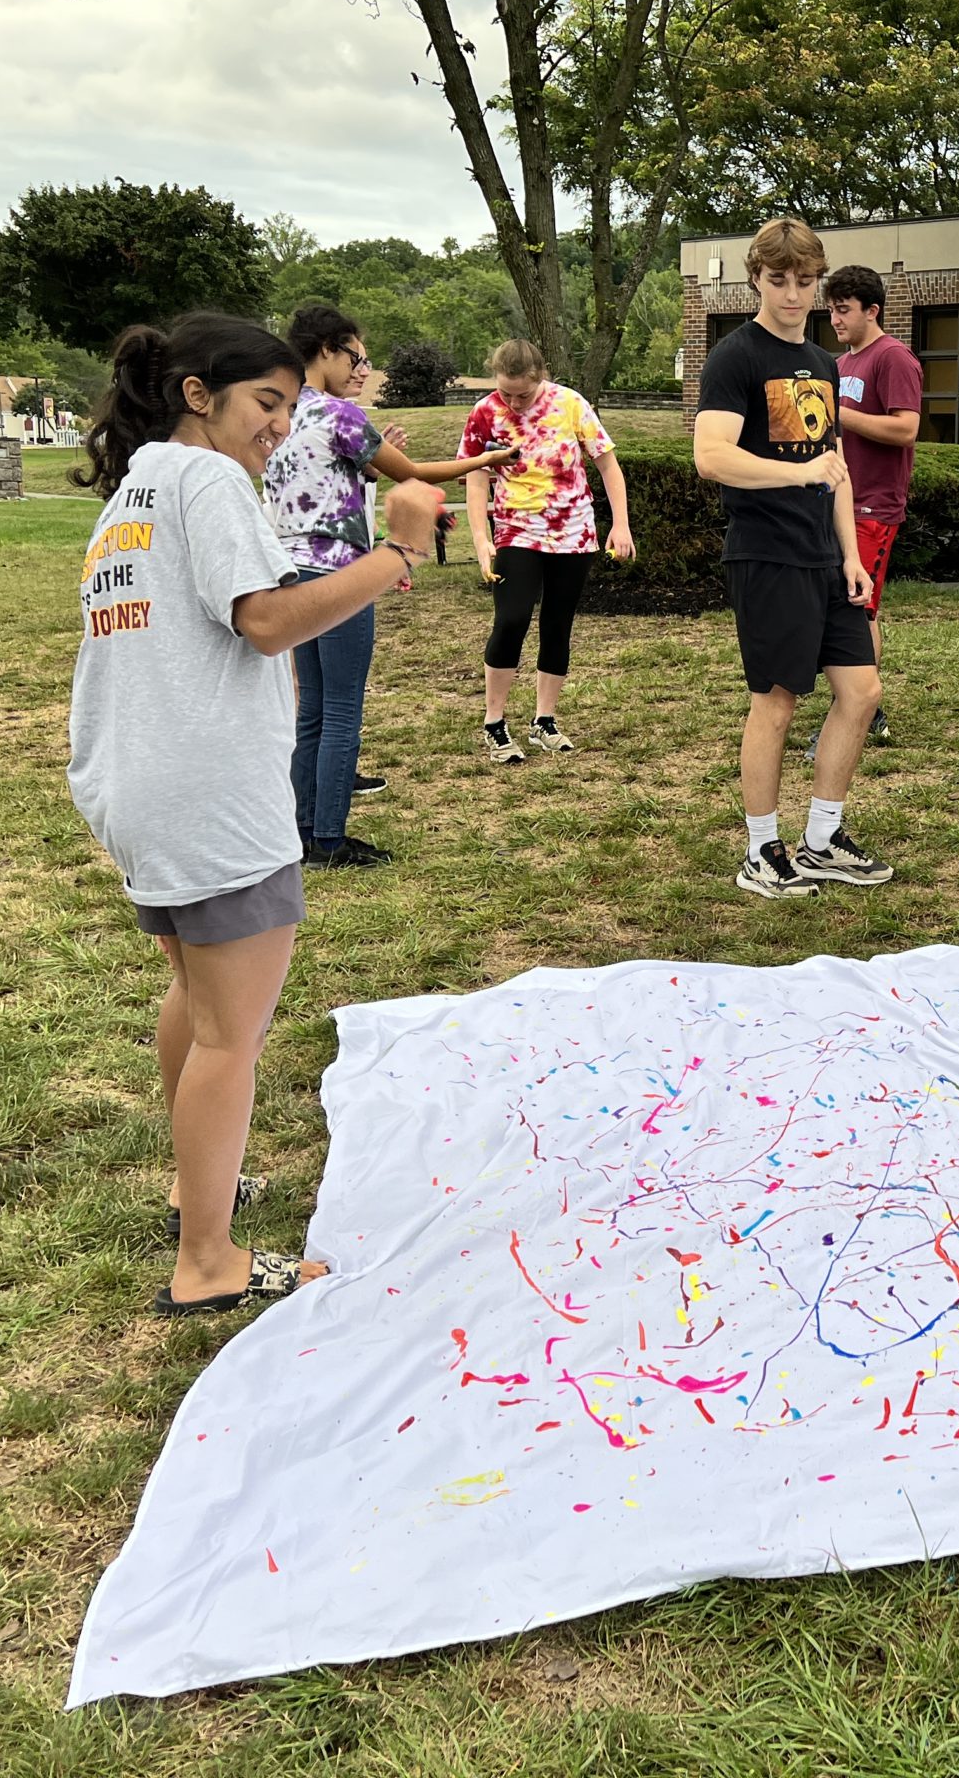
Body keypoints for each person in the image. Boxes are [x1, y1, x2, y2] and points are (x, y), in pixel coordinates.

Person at [65, 312, 442, 1314]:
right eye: (266, 403)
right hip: (209, 794)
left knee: (196, 1000)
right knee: (234, 1034)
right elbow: (266, 619)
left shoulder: (133, 492)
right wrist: (395, 557)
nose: (280, 426)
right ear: (199, 392)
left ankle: (200, 1191)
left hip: (139, 786)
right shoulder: (205, 478)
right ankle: (208, 1263)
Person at [263, 304, 516, 866]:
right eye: (356, 357)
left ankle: (300, 832)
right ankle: (328, 840)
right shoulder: (340, 415)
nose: (362, 368)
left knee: (311, 713)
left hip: (287, 577)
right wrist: (486, 458)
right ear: (326, 350)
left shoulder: (279, 416)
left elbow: (344, 476)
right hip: (342, 579)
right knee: (344, 710)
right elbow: (415, 475)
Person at [692, 217, 894, 898]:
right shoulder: (735, 357)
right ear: (757, 278)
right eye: (779, 281)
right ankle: (760, 850)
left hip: (824, 558)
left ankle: (821, 839)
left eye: (805, 282)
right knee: (775, 703)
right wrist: (796, 475)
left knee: (862, 693)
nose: (793, 294)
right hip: (766, 554)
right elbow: (710, 456)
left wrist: (851, 554)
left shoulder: (821, 364)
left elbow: (833, 466)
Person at [459, 339, 635, 763]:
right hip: (517, 531)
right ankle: (494, 722)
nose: (515, 402)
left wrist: (621, 525)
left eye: (524, 393)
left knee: (558, 622)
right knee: (512, 618)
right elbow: (476, 477)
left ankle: (544, 720)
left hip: (574, 532)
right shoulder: (484, 413)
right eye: (506, 393)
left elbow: (607, 465)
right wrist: (482, 538)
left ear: (542, 376)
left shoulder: (571, 404)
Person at [822, 262, 922, 749]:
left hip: (875, 506)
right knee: (846, 602)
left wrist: (841, 415)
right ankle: (857, 700)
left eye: (844, 310)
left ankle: (867, 708)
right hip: (838, 501)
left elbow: (906, 429)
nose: (835, 319)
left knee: (861, 607)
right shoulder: (840, 365)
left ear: (872, 310)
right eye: (832, 310)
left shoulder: (894, 358)